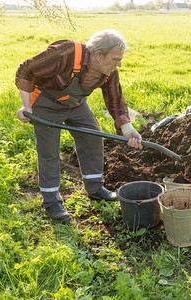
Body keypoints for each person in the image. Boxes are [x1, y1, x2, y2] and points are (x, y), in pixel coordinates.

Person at [15, 29, 142, 222]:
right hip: (46, 102)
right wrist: (26, 106)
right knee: (49, 151)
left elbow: (115, 102)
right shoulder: (65, 54)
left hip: (75, 104)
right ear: (99, 55)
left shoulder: (109, 72)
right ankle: (51, 202)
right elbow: (26, 69)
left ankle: (95, 188)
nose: (119, 64)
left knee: (92, 135)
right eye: (116, 59)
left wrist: (129, 130)